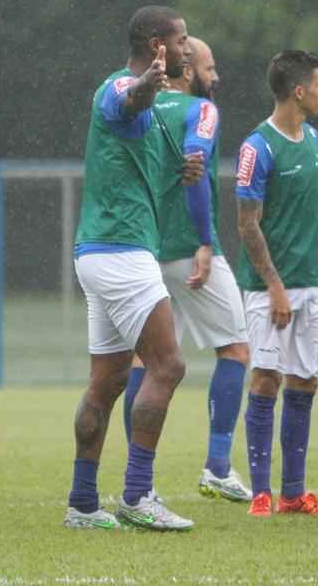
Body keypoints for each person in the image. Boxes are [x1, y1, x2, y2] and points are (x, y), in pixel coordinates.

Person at [64, 6, 200, 531]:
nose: (188, 47)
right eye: (182, 39)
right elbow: (130, 96)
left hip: (102, 250)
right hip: (120, 252)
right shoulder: (118, 88)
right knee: (168, 366)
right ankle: (138, 496)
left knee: (108, 382)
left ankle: (82, 504)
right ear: (155, 44)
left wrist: (181, 172)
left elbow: (145, 176)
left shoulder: (152, 112)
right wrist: (147, 82)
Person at [121, 37, 252, 503]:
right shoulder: (202, 110)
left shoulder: (143, 106)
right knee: (234, 349)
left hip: (142, 248)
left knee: (143, 360)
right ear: (189, 69)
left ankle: (139, 477)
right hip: (187, 248)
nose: (215, 76)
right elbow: (195, 161)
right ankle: (217, 465)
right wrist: (202, 239)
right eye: (210, 67)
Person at [235, 50, 318, 518]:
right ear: (298, 91)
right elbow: (247, 225)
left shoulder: (314, 139)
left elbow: (311, 216)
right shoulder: (257, 147)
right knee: (265, 381)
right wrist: (274, 285)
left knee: (306, 382)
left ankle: (294, 494)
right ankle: (262, 494)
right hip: (267, 289)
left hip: (313, 284)